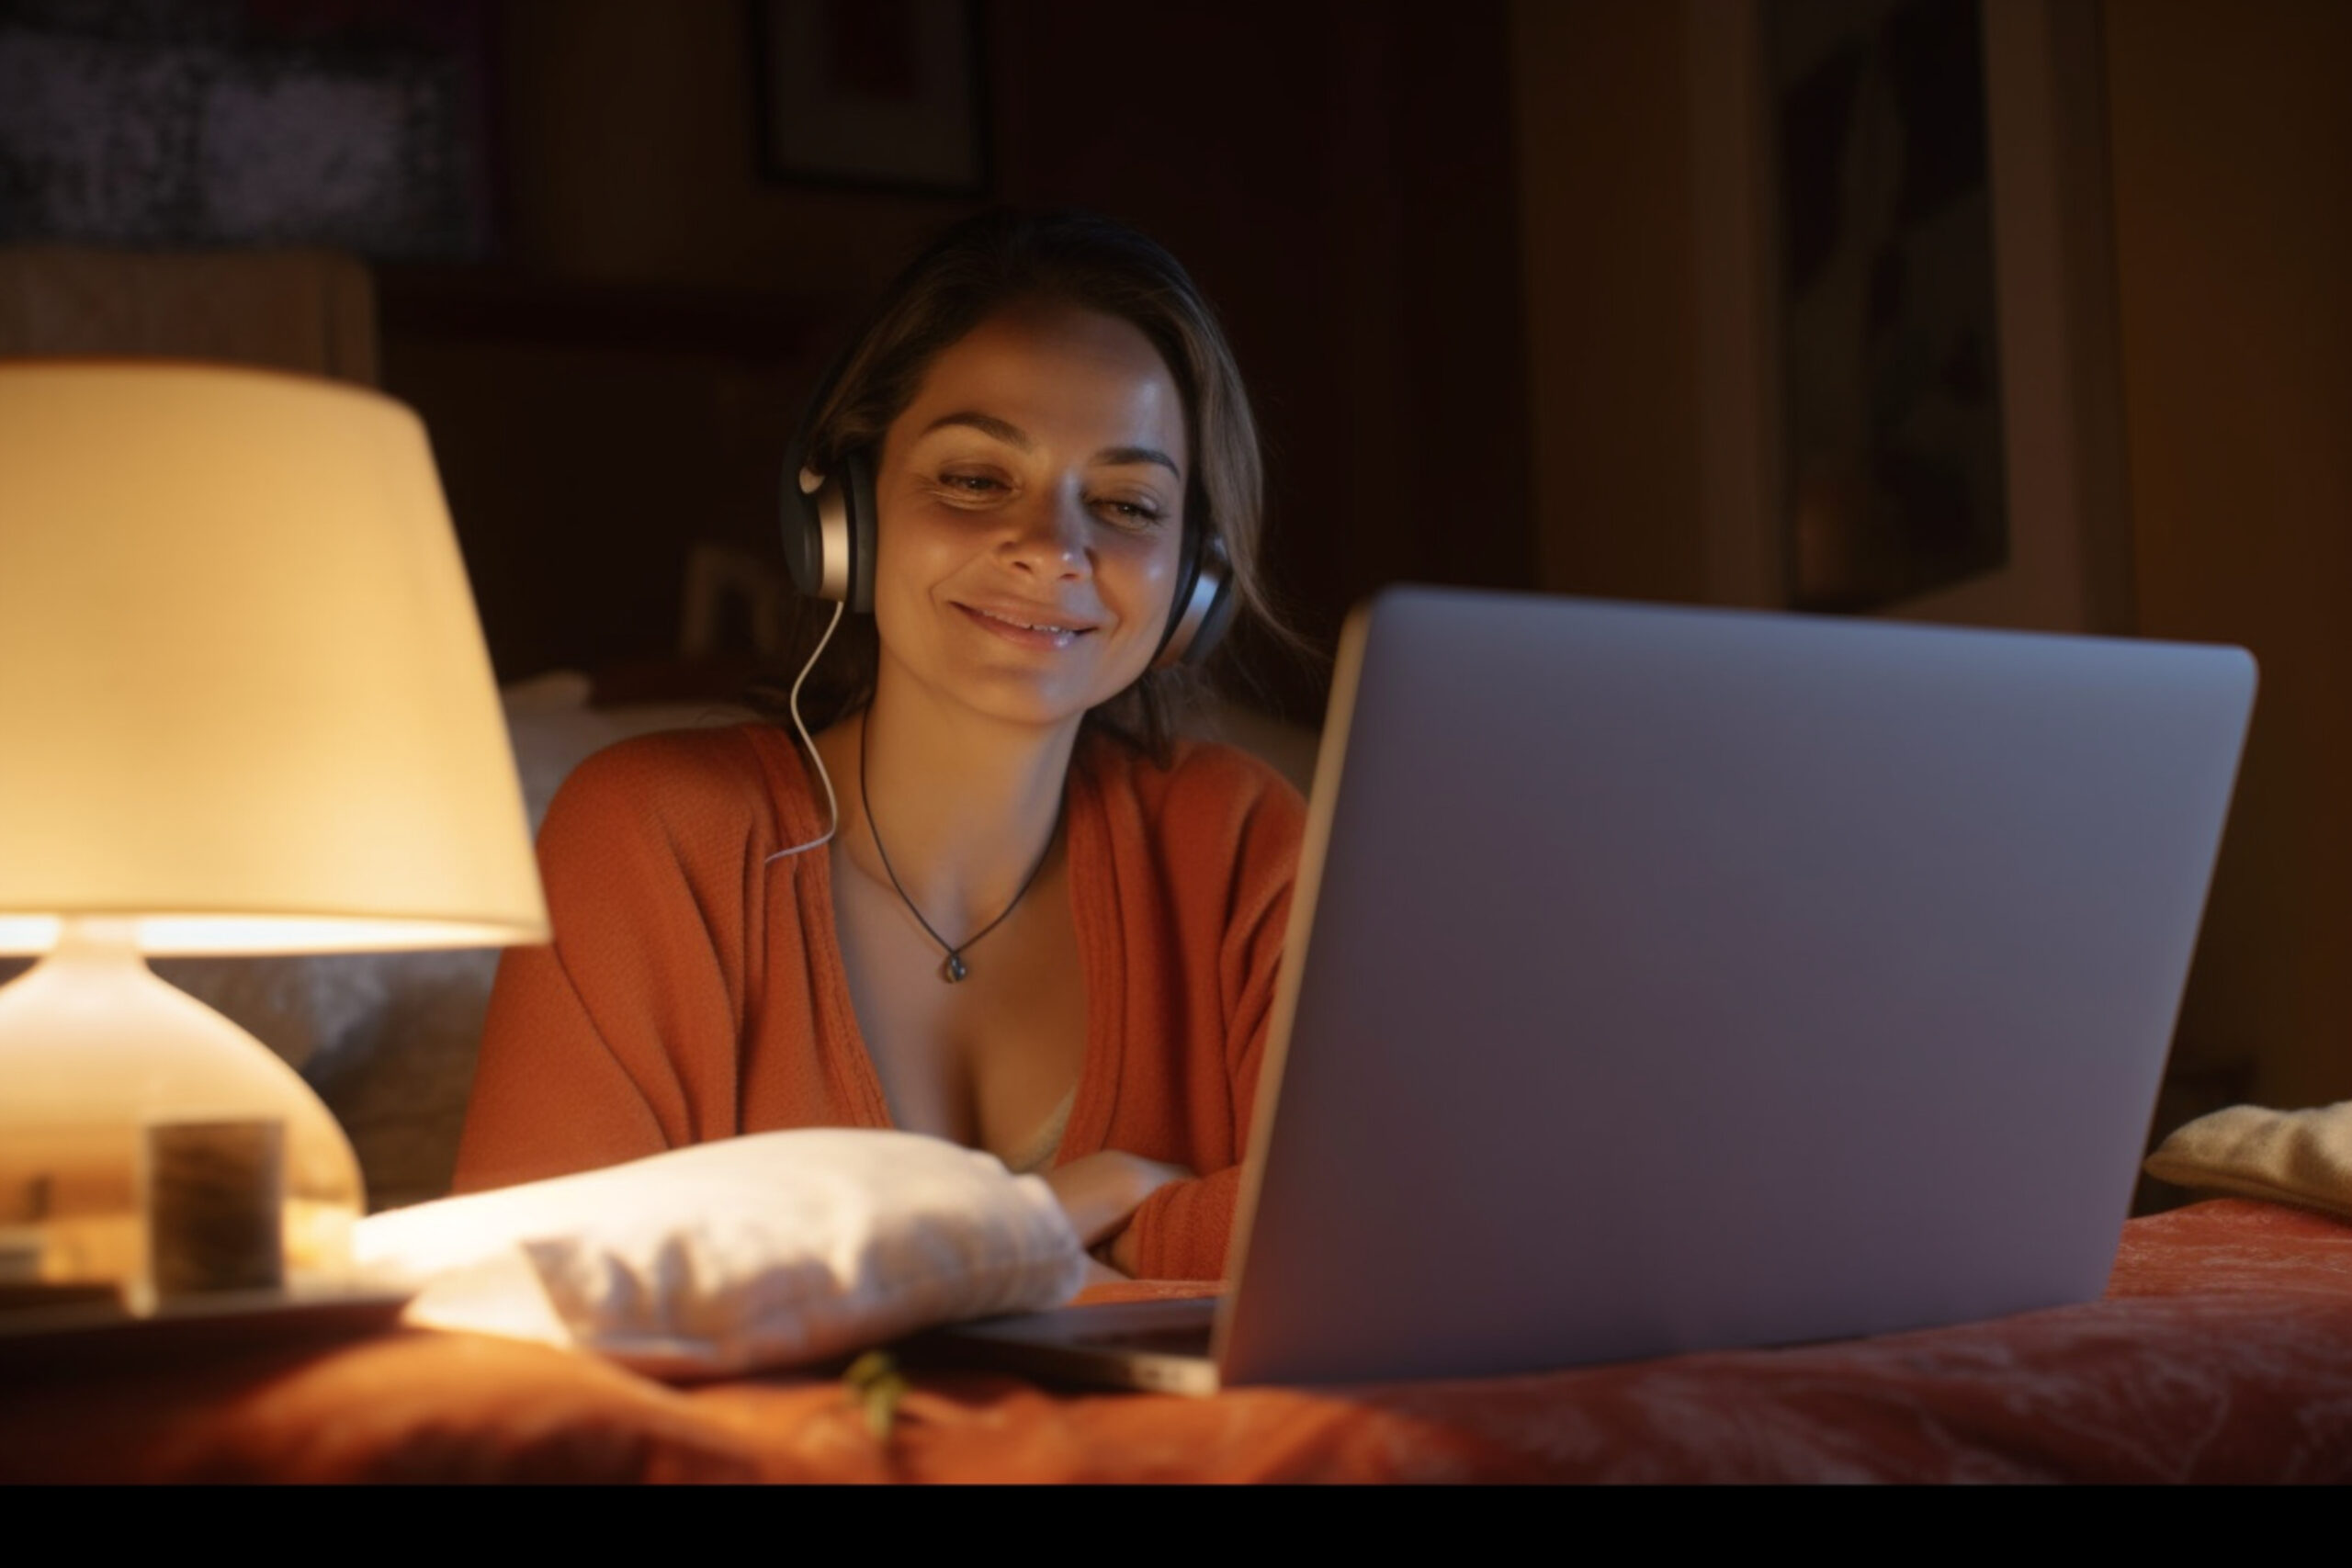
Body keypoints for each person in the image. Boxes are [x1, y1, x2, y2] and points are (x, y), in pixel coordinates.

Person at [451, 210, 1307, 1280]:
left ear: (1194, 585)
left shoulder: (1237, 838)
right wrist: (1046, 1227)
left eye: (1128, 503)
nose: (1052, 549)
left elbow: (1393, 1241)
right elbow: (534, 1308)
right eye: (975, 480)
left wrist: (1126, 1222)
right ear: (844, 518)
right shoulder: (650, 834)